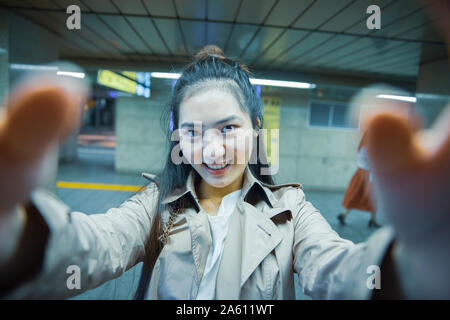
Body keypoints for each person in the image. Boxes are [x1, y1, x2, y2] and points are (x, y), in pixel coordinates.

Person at [0, 44, 449, 300]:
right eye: (192, 132)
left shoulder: (290, 209)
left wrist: (415, 266)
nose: (211, 150)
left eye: (228, 128)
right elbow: (98, 245)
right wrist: (14, 232)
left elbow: (335, 268)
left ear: (255, 129)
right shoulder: (157, 203)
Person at [338, 133, 381, 228]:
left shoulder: (362, 147)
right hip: (367, 174)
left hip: (362, 173)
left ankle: (372, 220)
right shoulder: (368, 149)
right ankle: (372, 220)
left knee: (357, 195)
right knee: (371, 197)